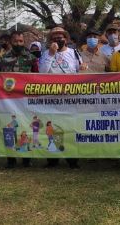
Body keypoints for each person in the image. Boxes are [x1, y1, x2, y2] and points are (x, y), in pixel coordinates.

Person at [40, 26, 82, 168]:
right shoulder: (46, 53)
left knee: (70, 127)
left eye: (61, 36)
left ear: (66, 38)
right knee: (54, 128)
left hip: (70, 98)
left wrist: (83, 69)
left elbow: (80, 72)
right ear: (51, 40)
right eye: (55, 37)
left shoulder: (74, 53)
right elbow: (43, 72)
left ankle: (72, 159)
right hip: (53, 98)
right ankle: (53, 158)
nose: (58, 39)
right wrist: (51, 54)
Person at [0, 30, 39, 168]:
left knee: (25, 127)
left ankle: (26, 157)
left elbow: (37, 77)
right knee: (9, 128)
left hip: (26, 100)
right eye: (15, 41)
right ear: (10, 42)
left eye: (21, 41)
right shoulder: (3, 58)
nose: (18, 43)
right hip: (8, 101)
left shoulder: (31, 57)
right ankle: (11, 158)